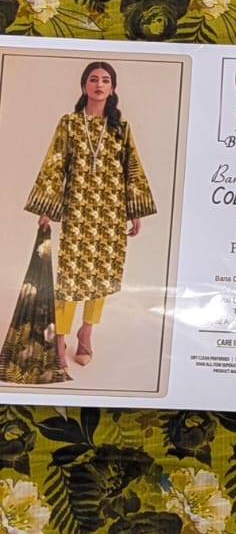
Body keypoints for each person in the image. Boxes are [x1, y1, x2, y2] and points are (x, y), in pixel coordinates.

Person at [25, 61, 156, 370]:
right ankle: (60, 338)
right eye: (93, 79)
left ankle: (86, 332)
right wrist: (47, 208)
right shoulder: (69, 123)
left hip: (110, 213)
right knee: (70, 278)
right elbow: (55, 164)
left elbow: (132, 168)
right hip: (77, 212)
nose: (99, 84)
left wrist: (134, 210)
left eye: (105, 80)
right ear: (84, 85)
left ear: (112, 88)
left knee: (101, 275)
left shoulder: (120, 127)